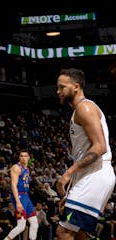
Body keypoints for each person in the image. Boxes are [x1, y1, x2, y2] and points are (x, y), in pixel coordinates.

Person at [55, 68, 116, 239]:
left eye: (62, 87)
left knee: (63, 232)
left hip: (96, 175)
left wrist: (68, 173)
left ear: (76, 86)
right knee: (79, 233)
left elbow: (99, 147)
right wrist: (73, 191)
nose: (58, 91)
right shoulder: (80, 110)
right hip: (90, 176)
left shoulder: (85, 108)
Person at [4, 150, 38, 240]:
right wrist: (18, 202)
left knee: (34, 223)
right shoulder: (16, 168)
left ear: (28, 158)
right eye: (21, 156)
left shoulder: (27, 169)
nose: (23, 158)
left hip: (26, 196)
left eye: (25, 156)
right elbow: (13, 186)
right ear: (19, 158)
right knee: (21, 226)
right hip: (19, 197)